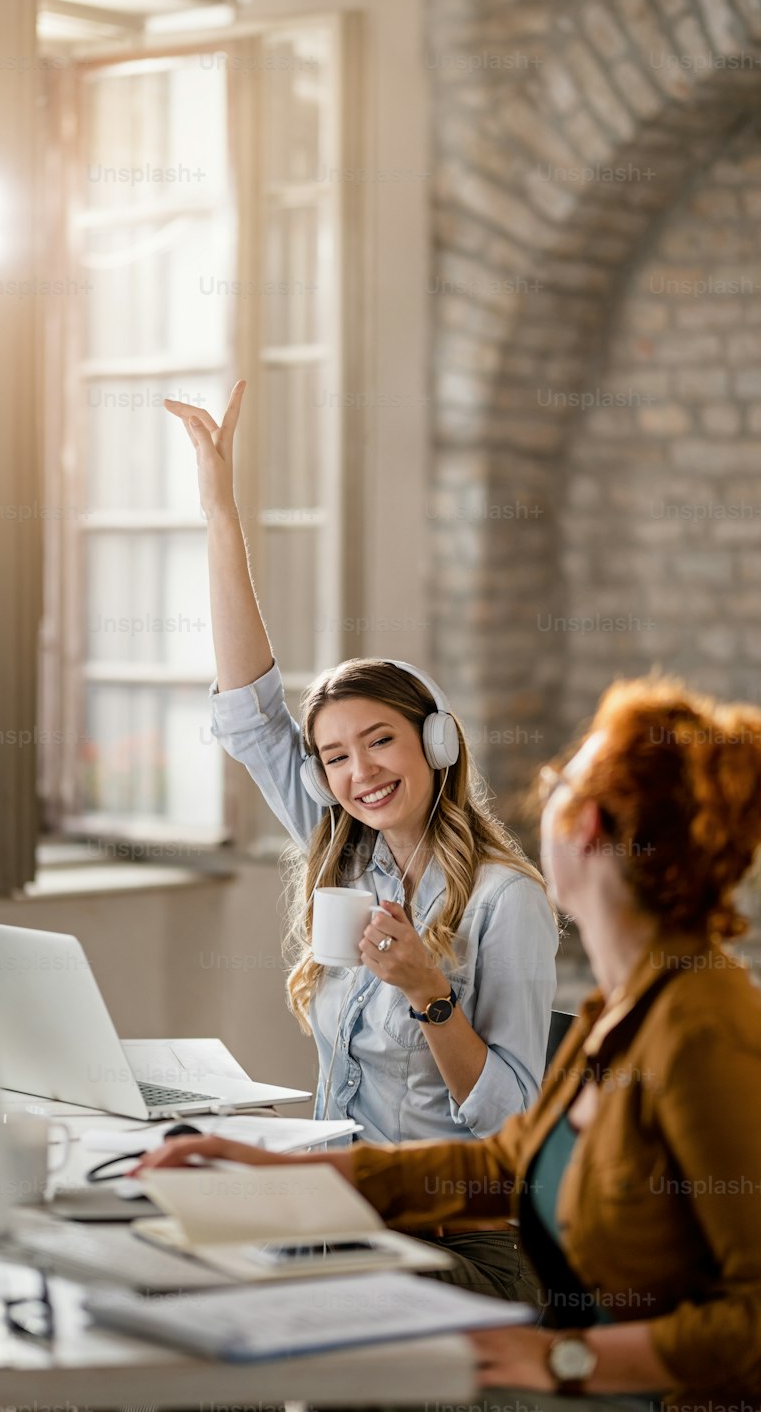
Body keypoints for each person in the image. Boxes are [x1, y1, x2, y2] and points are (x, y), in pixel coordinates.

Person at [135, 675, 761, 1412]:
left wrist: (560, 1358)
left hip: (615, 1382)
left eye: (559, 781)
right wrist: (277, 1171)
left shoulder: (706, 1031)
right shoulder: (630, 1008)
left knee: (271, 1322)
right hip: (573, 1349)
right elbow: (502, 1164)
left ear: (586, 829)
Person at [164, 380, 558, 1303]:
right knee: (172, 1262)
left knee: (245, 1298)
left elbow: (518, 1125)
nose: (358, 773)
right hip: (346, 1211)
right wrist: (221, 513)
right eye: (334, 756)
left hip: (464, 1245)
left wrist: (430, 995)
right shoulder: (345, 852)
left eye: (379, 740)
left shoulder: (510, 903)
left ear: (436, 741)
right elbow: (250, 716)